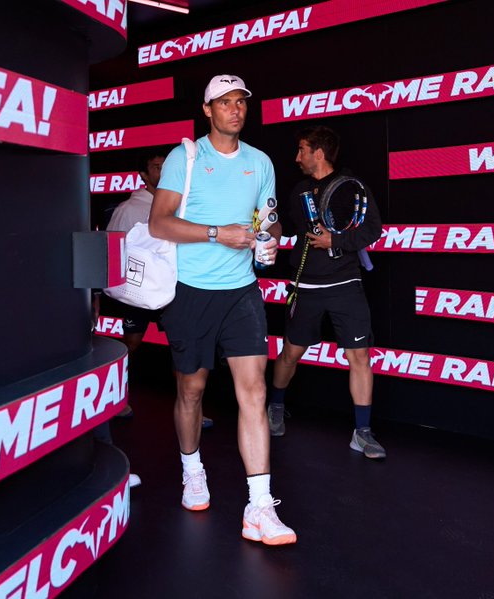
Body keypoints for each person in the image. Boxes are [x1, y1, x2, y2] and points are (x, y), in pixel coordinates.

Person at [148, 74, 296, 545]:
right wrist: (217, 233)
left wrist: (269, 239)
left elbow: (268, 219)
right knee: (192, 390)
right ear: (208, 110)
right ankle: (192, 469)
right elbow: (159, 223)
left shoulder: (260, 161)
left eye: (241, 102)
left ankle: (259, 507)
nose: (235, 109)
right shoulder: (186, 157)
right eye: (225, 102)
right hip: (191, 291)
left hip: (241, 291)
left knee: (253, 391)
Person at [269, 125, 387, 459]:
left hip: (345, 285)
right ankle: (275, 407)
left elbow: (373, 229)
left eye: (302, 150)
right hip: (306, 285)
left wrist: (335, 240)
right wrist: (267, 231)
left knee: (359, 357)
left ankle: (362, 432)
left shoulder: (353, 186)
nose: (297, 158)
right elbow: (284, 226)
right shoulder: (299, 190)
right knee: (290, 353)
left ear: (318, 153)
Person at [104, 150, 214, 427]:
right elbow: (111, 252)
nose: (163, 171)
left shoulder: (184, 203)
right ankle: (113, 399)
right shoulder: (128, 209)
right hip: (138, 290)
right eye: (156, 167)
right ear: (143, 175)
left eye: (166, 166)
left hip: (174, 289)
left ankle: (191, 410)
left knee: (183, 347)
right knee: (131, 344)